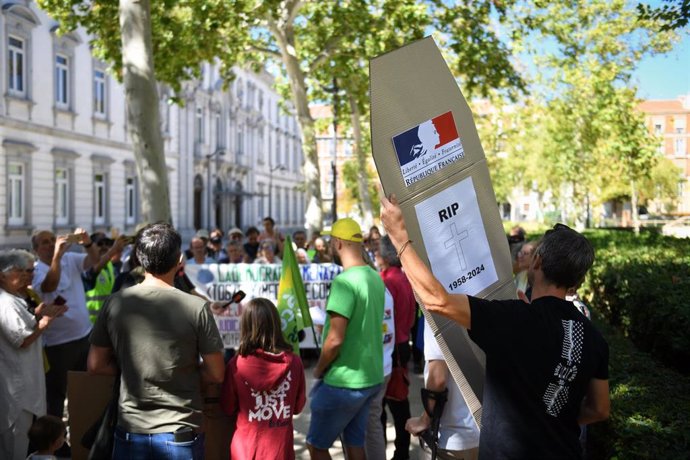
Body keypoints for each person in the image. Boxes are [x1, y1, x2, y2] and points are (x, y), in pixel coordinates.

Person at [381, 195, 610, 459]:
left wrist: (399, 238)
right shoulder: (594, 338)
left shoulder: (513, 319)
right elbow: (600, 409)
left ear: (537, 263)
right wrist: (554, 419)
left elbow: (436, 300)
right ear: (577, 282)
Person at [88, 222, 225, 459]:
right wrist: (182, 373)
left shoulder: (114, 303)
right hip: (180, 431)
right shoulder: (197, 307)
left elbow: (96, 365)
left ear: (139, 259)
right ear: (180, 260)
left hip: (131, 429)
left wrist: (134, 371)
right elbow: (216, 373)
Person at [307, 218, 385, 460]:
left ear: (338, 243)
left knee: (316, 445)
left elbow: (335, 340)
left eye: (331, 240)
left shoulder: (344, 282)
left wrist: (319, 369)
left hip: (345, 381)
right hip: (371, 377)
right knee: (354, 442)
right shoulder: (374, 277)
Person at [0, 250, 67, 460]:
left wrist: (39, 314)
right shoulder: (5, 302)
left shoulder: (18, 296)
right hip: (16, 388)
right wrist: (43, 324)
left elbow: (25, 324)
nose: (27, 275)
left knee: (25, 439)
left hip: (27, 382)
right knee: (15, 442)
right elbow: (21, 340)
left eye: (30, 270)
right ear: (3, 275)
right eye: (21, 270)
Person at [220, 298, 306, 460]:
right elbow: (298, 407)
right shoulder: (294, 362)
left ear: (245, 327)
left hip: (246, 451)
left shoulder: (236, 365)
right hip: (280, 451)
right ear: (276, 325)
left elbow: (227, 407)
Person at [31, 228, 99, 421]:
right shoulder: (36, 270)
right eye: (45, 242)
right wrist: (57, 257)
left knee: (83, 392)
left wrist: (87, 243)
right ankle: (55, 444)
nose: (51, 243)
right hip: (57, 345)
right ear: (36, 249)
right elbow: (49, 286)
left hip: (84, 337)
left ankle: (80, 437)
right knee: (56, 397)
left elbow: (94, 260)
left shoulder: (70, 258)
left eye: (53, 239)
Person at [406, 316, 480, 460]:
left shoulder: (436, 312)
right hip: (490, 427)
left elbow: (438, 379)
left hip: (454, 435)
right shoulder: (489, 297)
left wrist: (424, 420)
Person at [376, 236, 416, 460]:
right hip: (402, 343)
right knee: (399, 401)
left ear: (382, 255)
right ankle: (401, 451)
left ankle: (390, 452)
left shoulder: (384, 281)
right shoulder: (406, 278)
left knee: (382, 405)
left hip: (388, 348)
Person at [83, 233, 128, 323]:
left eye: (107, 243)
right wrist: (113, 250)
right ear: (90, 247)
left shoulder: (109, 265)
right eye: (100, 243)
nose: (104, 246)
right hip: (90, 323)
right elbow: (94, 270)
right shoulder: (85, 265)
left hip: (106, 320)